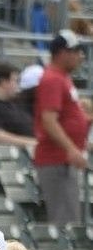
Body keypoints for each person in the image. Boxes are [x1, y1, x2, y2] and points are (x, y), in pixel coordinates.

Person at [33, 30, 91, 225]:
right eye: (75, 51)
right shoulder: (53, 79)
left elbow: (67, 118)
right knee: (65, 223)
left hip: (63, 160)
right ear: (61, 53)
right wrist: (71, 149)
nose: (80, 56)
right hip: (56, 159)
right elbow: (49, 120)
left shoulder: (62, 77)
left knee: (70, 219)